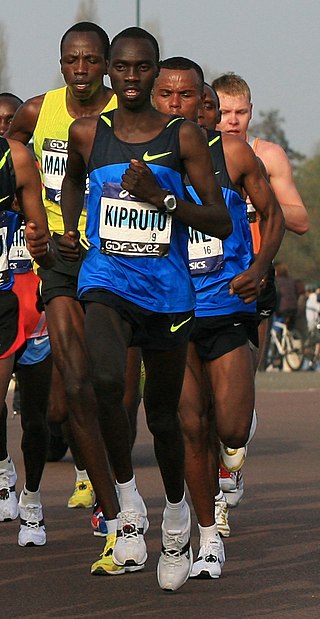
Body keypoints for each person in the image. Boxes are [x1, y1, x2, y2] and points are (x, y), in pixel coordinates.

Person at [59, 27, 231, 591]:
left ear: (155, 74)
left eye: (143, 68)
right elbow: (71, 186)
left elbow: (220, 220)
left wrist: (163, 199)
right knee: (105, 382)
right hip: (107, 280)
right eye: (123, 67)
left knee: (163, 418)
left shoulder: (184, 138)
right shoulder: (88, 133)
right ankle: (129, 507)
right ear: (109, 70)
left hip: (168, 295)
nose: (132, 77)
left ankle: (178, 510)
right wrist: (68, 231)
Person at [152, 56, 284, 578]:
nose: (180, 107)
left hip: (228, 305)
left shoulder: (232, 153)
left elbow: (270, 214)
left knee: (227, 426)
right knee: (191, 426)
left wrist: (259, 266)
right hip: (173, 309)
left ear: (206, 107)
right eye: (170, 97)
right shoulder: (144, 157)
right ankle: (206, 535)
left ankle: (239, 433)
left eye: (193, 99)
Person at [7, 22, 141, 522]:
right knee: (72, 382)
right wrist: (28, 217)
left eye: (91, 60)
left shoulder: (120, 111)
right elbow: (13, 155)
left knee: (114, 384)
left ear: (106, 63)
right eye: (71, 60)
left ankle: (114, 473)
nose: (81, 70)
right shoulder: (39, 111)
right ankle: (103, 493)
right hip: (59, 251)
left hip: (115, 251)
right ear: (60, 63)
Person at [212, 72, 309, 501]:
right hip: (212, 279)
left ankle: (234, 451)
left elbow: (300, 220)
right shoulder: (198, 153)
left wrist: (257, 200)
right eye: (224, 112)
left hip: (258, 278)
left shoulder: (265, 155)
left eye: (241, 112)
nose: (232, 120)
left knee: (243, 382)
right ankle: (217, 469)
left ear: (251, 111)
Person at [0, 92, 53, 546]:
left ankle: (33, 501)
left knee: (39, 418)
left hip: (37, 313)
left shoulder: (36, 178)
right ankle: (2, 470)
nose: (3, 125)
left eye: (9, 119)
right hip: (2, 307)